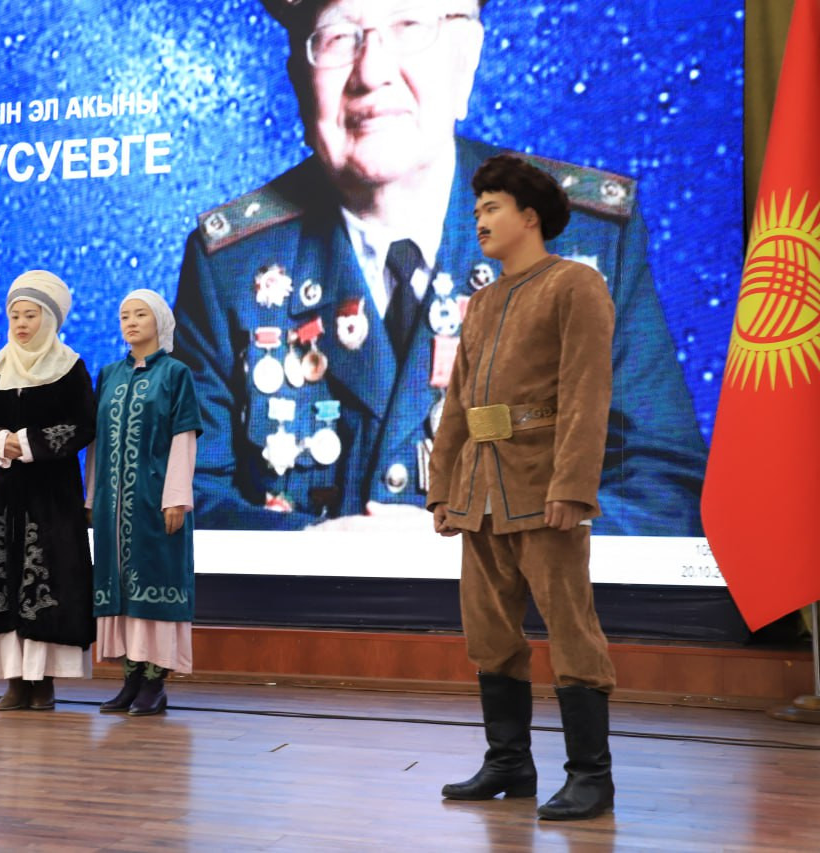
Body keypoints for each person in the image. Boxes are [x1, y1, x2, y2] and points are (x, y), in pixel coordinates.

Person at [172, 0, 706, 535]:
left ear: (465, 57)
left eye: (408, 25)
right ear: (298, 77)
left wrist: (481, 548)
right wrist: (311, 554)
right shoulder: (232, 267)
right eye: (337, 36)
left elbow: (662, 494)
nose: (372, 72)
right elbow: (182, 502)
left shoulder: (582, 239)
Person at [429, 154, 616, 821]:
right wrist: (442, 489)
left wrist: (573, 485)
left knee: (571, 628)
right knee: (488, 631)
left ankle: (591, 775)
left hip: (544, 488)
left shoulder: (575, 285)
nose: (479, 220)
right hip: (479, 493)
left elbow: (587, 393)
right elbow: (458, 403)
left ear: (530, 216)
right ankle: (509, 760)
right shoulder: (481, 302)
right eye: (476, 209)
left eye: (492, 208)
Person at [0, 270, 96, 711]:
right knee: (6, 579)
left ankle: (45, 681)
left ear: (50, 318)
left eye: (30, 315)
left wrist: (33, 443)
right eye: (15, 315)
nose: (21, 324)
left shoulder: (70, 367)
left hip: (53, 495)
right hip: (7, 495)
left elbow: (85, 424)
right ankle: (16, 681)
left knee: (51, 578)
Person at [86, 290, 202, 716]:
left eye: (140, 315)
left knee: (155, 589)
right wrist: (92, 495)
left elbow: (183, 436)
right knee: (122, 595)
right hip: (112, 507)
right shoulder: (109, 375)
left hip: (156, 502)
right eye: (124, 316)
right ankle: (131, 680)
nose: (131, 322)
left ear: (159, 321)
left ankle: (155, 683)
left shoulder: (175, 374)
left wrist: (177, 497)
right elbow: (97, 442)